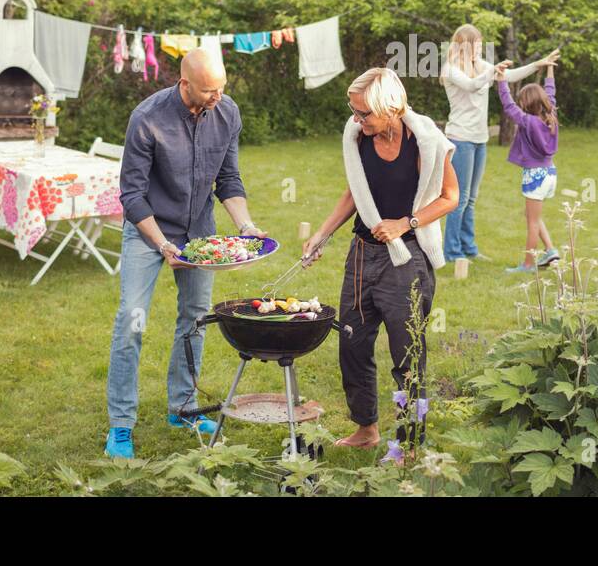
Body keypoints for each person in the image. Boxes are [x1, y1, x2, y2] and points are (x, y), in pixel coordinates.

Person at [105, 48, 266, 459]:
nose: (217, 97)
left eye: (221, 88)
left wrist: (245, 226)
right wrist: (162, 244)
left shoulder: (228, 114)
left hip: (199, 234)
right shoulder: (148, 118)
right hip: (149, 231)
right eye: (208, 90)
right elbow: (132, 196)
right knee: (131, 324)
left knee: (194, 319)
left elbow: (228, 179)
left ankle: (184, 408)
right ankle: (121, 425)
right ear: (184, 84)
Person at [301, 68, 459, 449]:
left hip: (406, 261)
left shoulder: (423, 142)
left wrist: (406, 222)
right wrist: (322, 234)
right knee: (352, 344)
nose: (357, 120)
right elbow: (356, 191)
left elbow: (451, 196)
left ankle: (410, 442)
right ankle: (367, 429)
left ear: (390, 107)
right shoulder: (359, 138)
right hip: (361, 256)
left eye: (364, 114)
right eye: (354, 112)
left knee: (407, 355)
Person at [440, 25, 557, 266]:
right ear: (464, 45)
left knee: (471, 198)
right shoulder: (451, 69)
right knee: (459, 199)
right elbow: (472, 85)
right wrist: (493, 70)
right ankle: (452, 251)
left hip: (480, 139)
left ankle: (469, 248)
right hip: (460, 138)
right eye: (477, 44)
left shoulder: (481, 66)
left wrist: (539, 64)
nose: (481, 49)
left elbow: (510, 76)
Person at [496, 57, 560, 273]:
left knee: (532, 222)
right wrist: (550, 69)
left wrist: (501, 79)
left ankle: (528, 265)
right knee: (532, 216)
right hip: (550, 172)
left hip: (535, 176)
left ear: (527, 104)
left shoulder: (527, 121)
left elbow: (507, 104)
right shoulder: (551, 116)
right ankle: (550, 250)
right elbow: (550, 92)